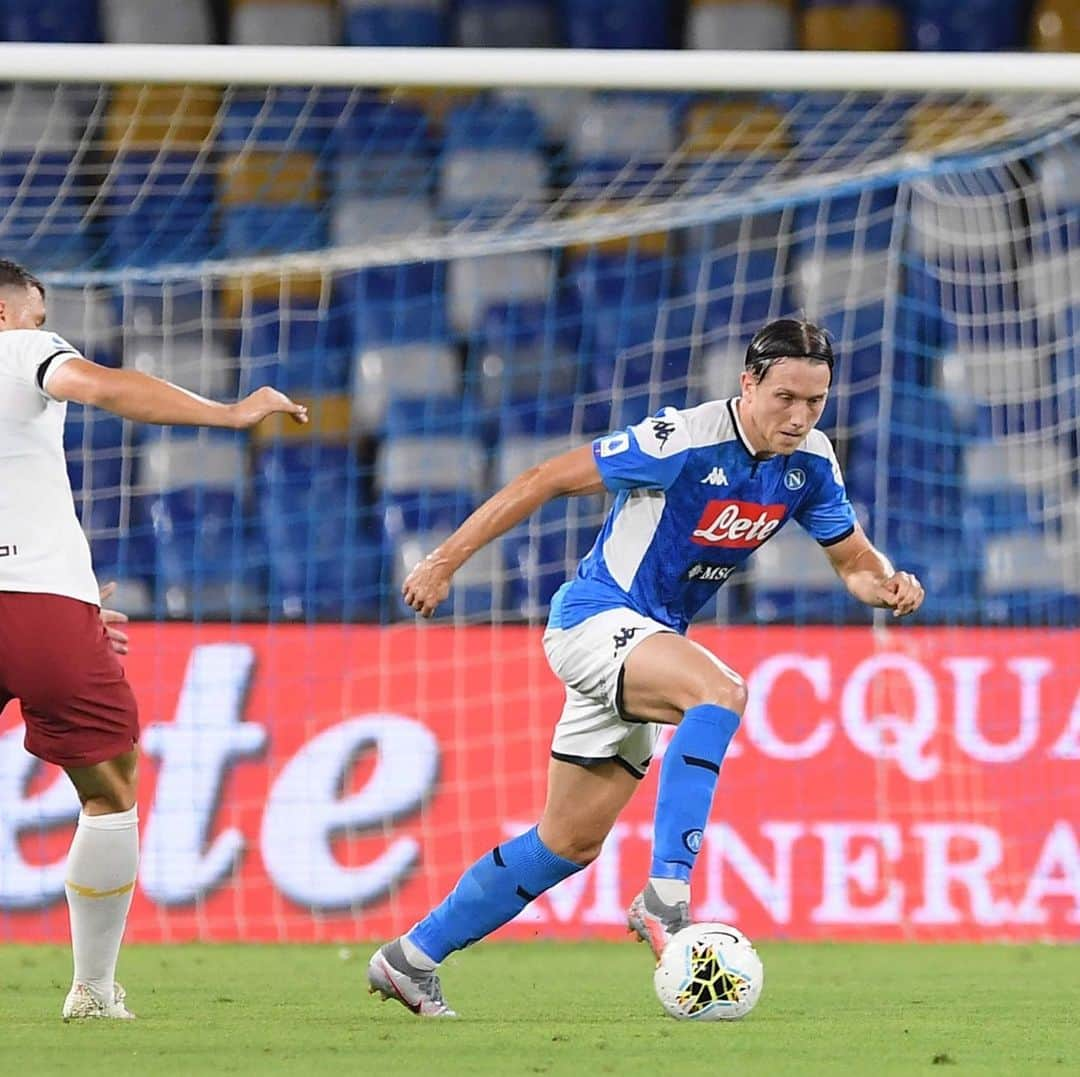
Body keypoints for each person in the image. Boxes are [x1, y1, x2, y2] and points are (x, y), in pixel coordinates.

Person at [367, 317, 925, 1017]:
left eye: (815, 402)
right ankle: (667, 895)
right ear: (747, 383)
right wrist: (442, 561)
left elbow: (853, 559)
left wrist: (884, 581)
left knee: (565, 843)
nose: (799, 416)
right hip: (595, 619)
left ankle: (410, 958)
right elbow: (545, 477)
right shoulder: (681, 440)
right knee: (719, 691)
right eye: (785, 397)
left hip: (645, 642)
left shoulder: (811, 461)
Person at [0, 259, 308, 1020]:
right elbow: (101, 385)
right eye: (36, 318)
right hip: (37, 603)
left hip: (50, 596)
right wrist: (231, 412)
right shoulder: (18, 350)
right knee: (109, 789)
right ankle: (93, 989)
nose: (43, 331)